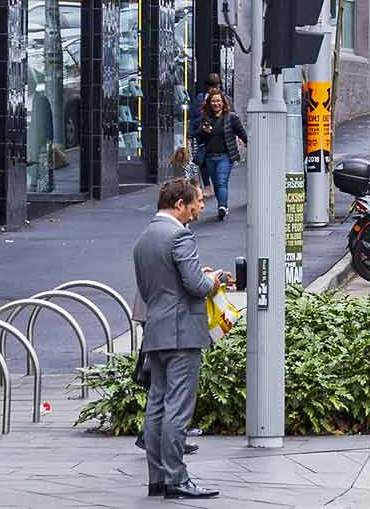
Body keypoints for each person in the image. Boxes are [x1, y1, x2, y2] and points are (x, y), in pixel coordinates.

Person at [135, 177, 230, 500]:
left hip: (156, 331)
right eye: (197, 201)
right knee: (177, 407)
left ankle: (157, 479)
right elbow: (197, 287)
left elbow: (152, 289)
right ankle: (178, 479)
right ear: (180, 204)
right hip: (182, 333)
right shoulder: (180, 236)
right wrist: (213, 279)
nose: (200, 206)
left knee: (157, 405)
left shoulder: (145, 238)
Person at [193, 90, 246, 221]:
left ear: (223, 102)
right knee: (216, 184)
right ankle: (222, 205)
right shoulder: (205, 118)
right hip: (210, 156)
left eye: (218, 101)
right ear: (209, 103)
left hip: (225, 156)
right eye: (213, 101)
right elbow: (198, 137)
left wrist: (250, 145)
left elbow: (242, 133)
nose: (216, 103)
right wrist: (203, 131)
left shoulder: (231, 117)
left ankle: (222, 207)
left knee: (221, 182)